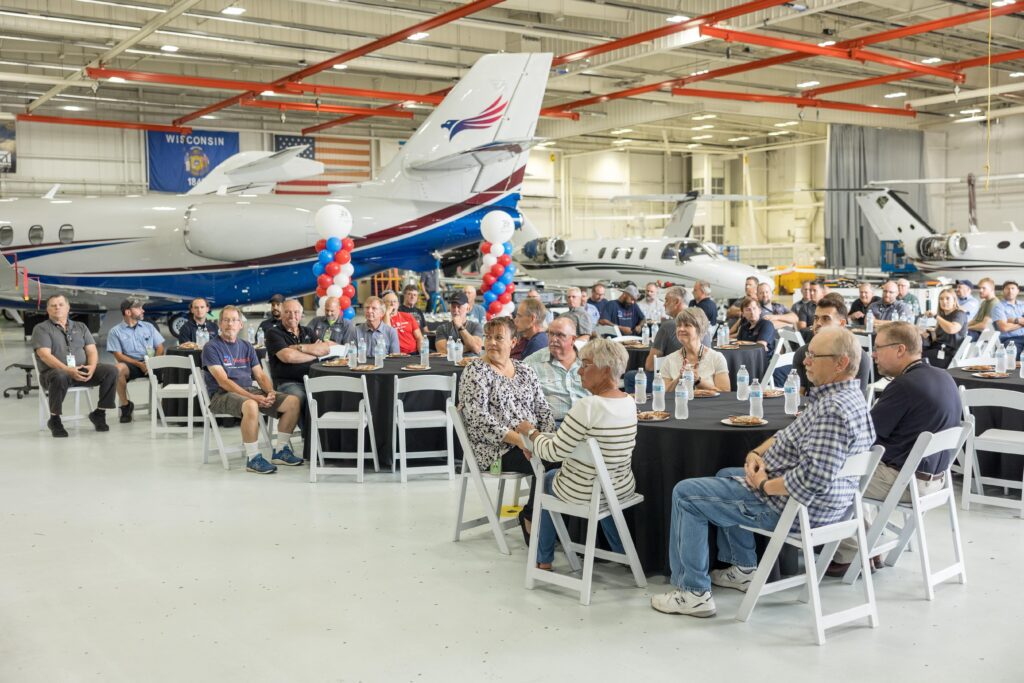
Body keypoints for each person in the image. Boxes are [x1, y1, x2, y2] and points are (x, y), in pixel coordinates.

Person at [651, 327, 874, 617]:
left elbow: (812, 478)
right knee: (725, 474)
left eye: (813, 356)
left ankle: (692, 593)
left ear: (841, 363)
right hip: (828, 506)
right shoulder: (846, 398)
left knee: (685, 494)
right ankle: (743, 568)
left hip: (796, 510)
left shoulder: (832, 410)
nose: (805, 361)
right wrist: (757, 453)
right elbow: (789, 433)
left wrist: (764, 484)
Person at [828, 322, 960, 575]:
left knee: (829, 475)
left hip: (906, 482)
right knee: (861, 465)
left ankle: (854, 553)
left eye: (878, 348)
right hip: (936, 480)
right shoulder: (943, 376)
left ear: (900, 349)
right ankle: (868, 545)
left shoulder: (904, 386)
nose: (874, 354)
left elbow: (863, 435)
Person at [515, 338, 636, 570]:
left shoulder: (586, 406)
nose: (580, 371)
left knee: (548, 479)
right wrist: (539, 439)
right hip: (620, 485)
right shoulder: (629, 401)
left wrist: (530, 433)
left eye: (586, 365)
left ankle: (543, 558)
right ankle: (623, 553)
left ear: (606, 370)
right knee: (601, 486)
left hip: (585, 491)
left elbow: (553, 453)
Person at [458, 316, 555, 540]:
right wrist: (521, 441)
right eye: (488, 337)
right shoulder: (475, 371)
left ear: (513, 342)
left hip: (531, 442)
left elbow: (542, 409)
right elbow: (478, 420)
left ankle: (552, 522)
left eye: (499, 338)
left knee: (563, 457)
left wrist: (549, 438)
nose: (491, 342)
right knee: (548, 462)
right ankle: (532, 518)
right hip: (495, 451)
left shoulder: (525, 370)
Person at [202, 306, 303, 474]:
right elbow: (223, 382)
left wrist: (270, 392)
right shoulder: (211, 347)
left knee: (292, 402)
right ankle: (253, 458)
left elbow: (260, 375)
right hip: (221, 395)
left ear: (240, 324)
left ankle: (281, 451)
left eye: (234, 320)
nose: (230, 324)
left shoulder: (246, 346)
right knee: (251, 404)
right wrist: (253, 397)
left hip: (249, 391)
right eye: (226, 320)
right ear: (219, 324)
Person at [32, 294, 119, 438]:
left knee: (111, 370)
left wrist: (92, 367)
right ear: (48, 310)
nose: (57, 308)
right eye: (53, 305)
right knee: (60, 375)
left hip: (82, 370)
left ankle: (99, 413)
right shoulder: (41, 329)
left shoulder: (81, 326)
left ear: (68, 308)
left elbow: (91, 350)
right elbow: (44, 355)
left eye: (61, 304)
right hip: (54, 374)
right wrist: (67, 369)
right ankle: (55, 420)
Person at [788, 293, 872, 393]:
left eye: (826, 318)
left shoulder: (859, 357)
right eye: (816, 318)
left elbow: (857, 398)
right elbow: (798, 395)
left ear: (842, 324)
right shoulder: (803, 353)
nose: (818, 323)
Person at [265, 298, 332, 413]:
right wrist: (314, 353)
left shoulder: (308, 331)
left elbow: (325, 349)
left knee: (332, 393)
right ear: (281, 314)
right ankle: (307, 426)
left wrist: (299, 347)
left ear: (301, 315)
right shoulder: (273, 333)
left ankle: (320, 424)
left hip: (313, 379)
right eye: (287, 312)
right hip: (288, 382)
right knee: (302, 398)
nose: (292, 316)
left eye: (296, 312)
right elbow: (288, 357)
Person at [107, 298, 165, 424]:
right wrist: (139, 364)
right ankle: (126, 406)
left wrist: (152, 362)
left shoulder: (149, 327)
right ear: (128, 312)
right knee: (118, 369)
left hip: (152, 362)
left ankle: (163, 406)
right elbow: (119, 356)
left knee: (172, 368)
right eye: (138, 308)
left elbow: (160, 347)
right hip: (131, 364)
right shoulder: (115, 332)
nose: (142, 310)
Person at [524, 317, 587, 422]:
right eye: (551, 334)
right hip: (553, 424)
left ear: (573, 339)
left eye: (560, 335)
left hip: (588, 421)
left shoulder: (587, 360)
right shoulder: (532, 363)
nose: (553, 339)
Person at [658, 308, 730, 393]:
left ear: (699, 329)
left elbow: (725, 393)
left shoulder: (716, 358)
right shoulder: (669, 360)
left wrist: (698, 381)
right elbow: (662, 394)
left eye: (687, 325)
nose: (681, 329)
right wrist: (680, 378)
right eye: (678, 326)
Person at [921, 289, 968, 368]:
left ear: (954, 301)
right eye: (941, 299)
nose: (944, 301)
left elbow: (952, 329)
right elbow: (940, 337)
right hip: (938, 350)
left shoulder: (959, 314)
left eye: (947, 298)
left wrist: (936, 316)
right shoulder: (943, 316)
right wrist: (928, 333)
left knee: (915, 359)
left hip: (947, 354)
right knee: (913, 352)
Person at [434, 291, 484, 356]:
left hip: (471, 361)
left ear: (468, 308)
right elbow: (443, 351)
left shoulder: (476, 326)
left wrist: (460, 327)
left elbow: (476, 348)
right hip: (449, 362)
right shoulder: (442, 328)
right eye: (453, 306)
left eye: (459, 306)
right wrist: (468, 347)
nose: (455, 310)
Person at [383, 290, 424, 354]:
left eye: (395, 301)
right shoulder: (381, 318)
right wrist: (387, 313)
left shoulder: (408, 316)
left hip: (413, 353)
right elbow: (387, 333)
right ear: (383, 304)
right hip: (395, 355)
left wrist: (422, 354)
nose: (392, 304)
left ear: (398, 304)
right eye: (389, 301)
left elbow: (419, 337)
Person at [993, 280, 1024, 355]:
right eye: (1007, 288)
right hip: (1010, 339)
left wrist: (1013, 320)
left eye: (1013, 288)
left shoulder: (1023, 305)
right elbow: (1004, 328)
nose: (1010, 291)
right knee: (1013, 356)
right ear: (1003, 291)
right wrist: (1021, 322)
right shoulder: (998, 307)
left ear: (1018, 291)